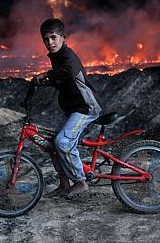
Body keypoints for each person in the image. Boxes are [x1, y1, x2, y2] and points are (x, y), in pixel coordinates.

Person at [34, 18, 102, 199]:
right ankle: (64, 185)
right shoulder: (57, 58)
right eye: (46, 39)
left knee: (63, 142)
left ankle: (80, 182)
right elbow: (61, 79)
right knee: (53, 144)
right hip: (74, 109)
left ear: (64, 37)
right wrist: (42, 83)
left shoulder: (67, 56)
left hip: (85, 107)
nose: (50, 42)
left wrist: (47, 75)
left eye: (53, 37)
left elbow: (69, 72)